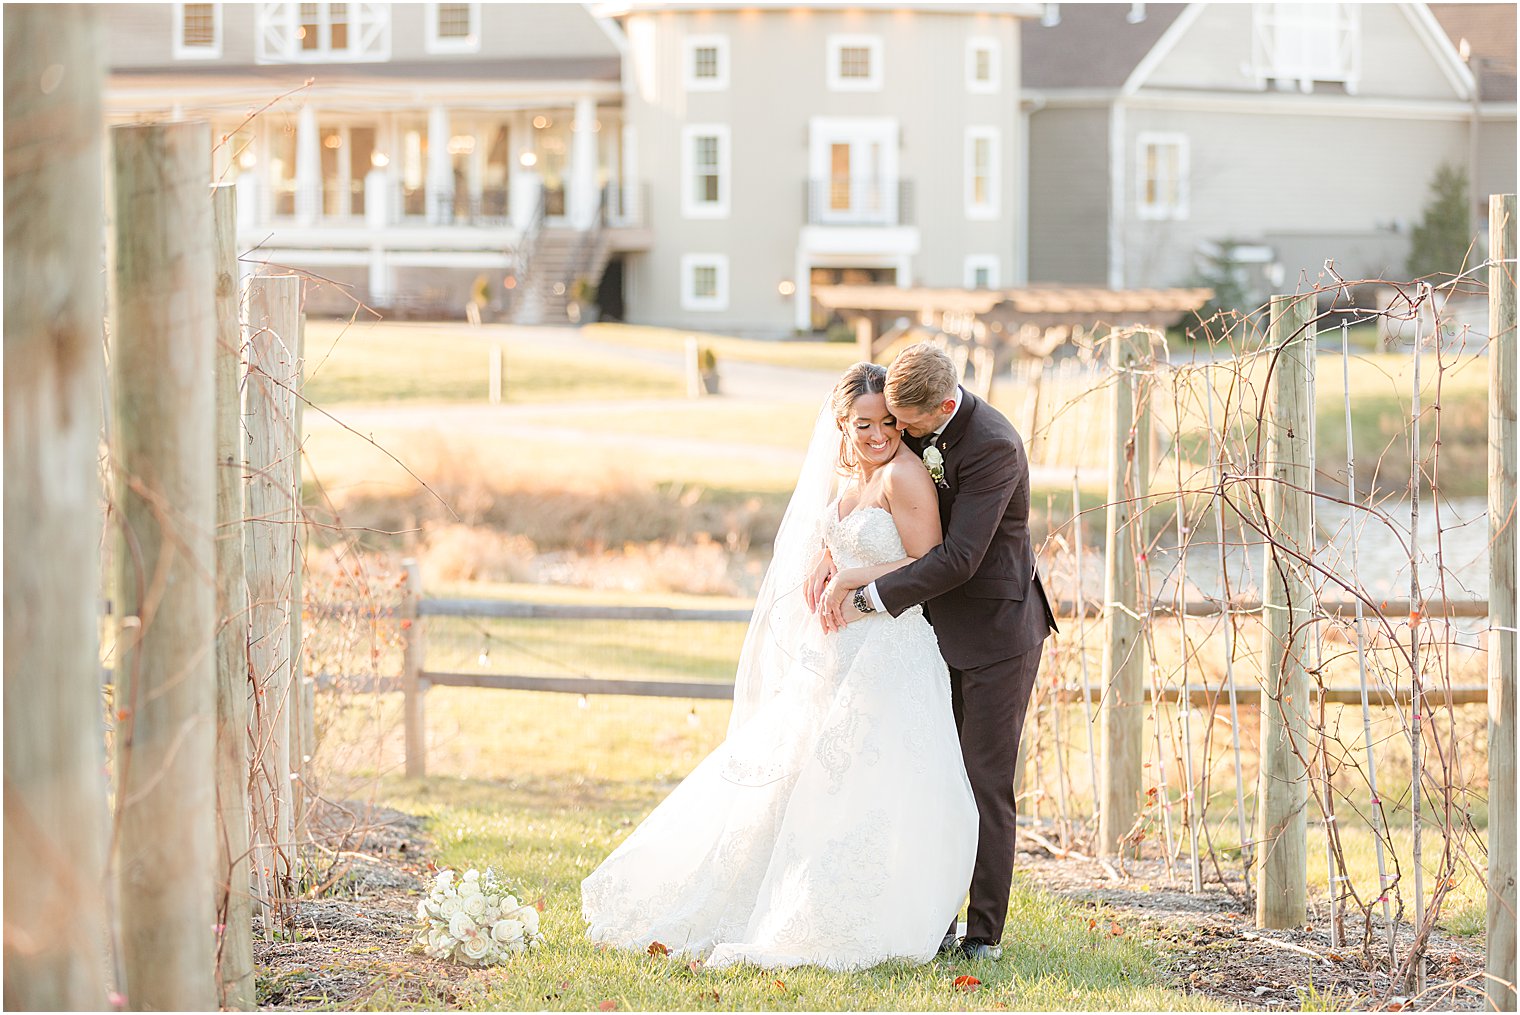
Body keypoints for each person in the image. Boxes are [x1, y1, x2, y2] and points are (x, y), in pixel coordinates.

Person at [580, 362, 977, 970]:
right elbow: (851, 536)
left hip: (889, 654)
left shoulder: (906, 476)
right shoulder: (851, 484)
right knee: (803, 780)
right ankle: (778, 893)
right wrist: (827, 555)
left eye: (889, 423)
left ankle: (859, 909)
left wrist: (852, 574)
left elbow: (927, 566)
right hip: (838, 655)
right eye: (864, 424)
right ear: (843, 426)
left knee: (871, 786)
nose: (878, 435)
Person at [814, 342, 1058, 962]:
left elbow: (958, 558)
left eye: (905, 425)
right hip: (930, 634)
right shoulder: (911, 425)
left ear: (943, 405)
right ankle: (930, 917)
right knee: (933, 778)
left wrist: (865, 593)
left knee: (983, 784)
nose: (894, 434)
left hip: (996, 633)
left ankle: (983, 935)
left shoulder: (994, 446)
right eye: (885, 421)